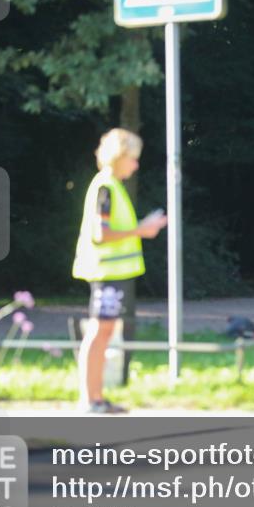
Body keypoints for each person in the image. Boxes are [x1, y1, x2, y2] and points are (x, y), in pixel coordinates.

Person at [72, 128, 167, 414]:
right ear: (119, 156)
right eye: (133, 158)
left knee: (104, 332)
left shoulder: (111, 186)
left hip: (113, 275)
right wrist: (142, 229)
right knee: (99, 332)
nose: (136, 165)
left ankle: (97, 398)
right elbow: (101, 234)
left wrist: (141, 227)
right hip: (106, 274)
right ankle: (89, 400)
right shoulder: (106, 188)